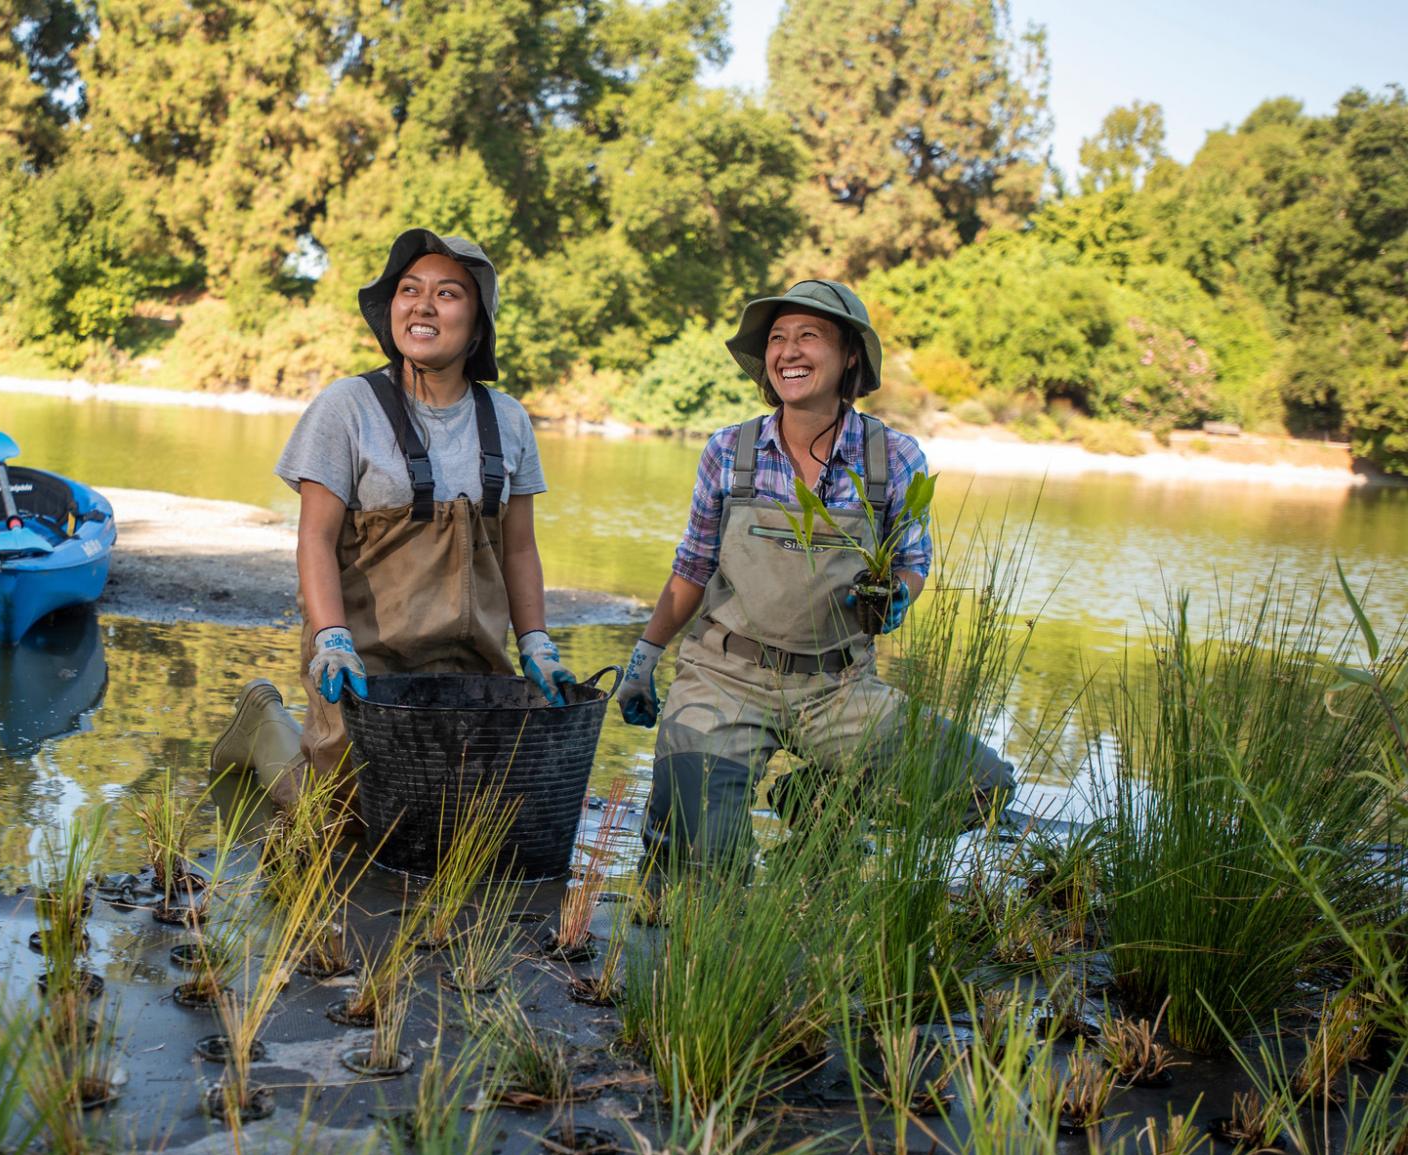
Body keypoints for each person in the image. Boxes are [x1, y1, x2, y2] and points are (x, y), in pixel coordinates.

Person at [613, 279, 1014, 864]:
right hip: (723, 680)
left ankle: (817, 806)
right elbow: (692, 567)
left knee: (981, 788)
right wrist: (642, 662)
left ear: (850, 354)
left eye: (810, 336)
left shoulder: (893, 457)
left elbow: (913, 561)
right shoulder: (728, 451)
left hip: (839, 688)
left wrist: (898, 594)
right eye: (777, 338)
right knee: (701, 864)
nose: (788, 351)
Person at [209, 228, 579, 809]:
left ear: (478, 325)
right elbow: (315, 538)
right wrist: (331, 638)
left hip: (474, 664)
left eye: (448, 293)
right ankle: (266, 728)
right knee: (342, 816)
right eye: (410, 289)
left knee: (470, 816)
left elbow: (519, 550)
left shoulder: (508, 420)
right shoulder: (346, 408)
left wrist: (536, 644)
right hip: (365, 659)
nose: (423, 304)